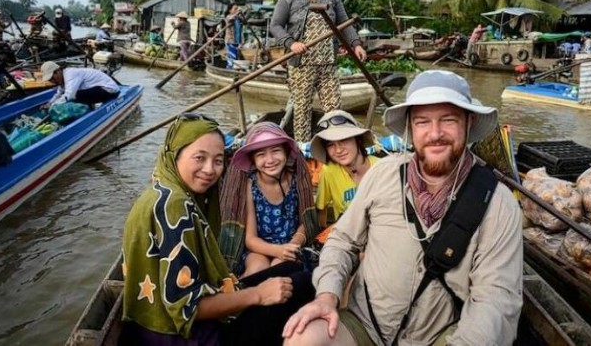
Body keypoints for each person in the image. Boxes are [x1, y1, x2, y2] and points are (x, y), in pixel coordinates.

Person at [283, 70, 523, 346]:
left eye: (448, 120)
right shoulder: (383, 174)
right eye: (423, 122)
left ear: (468, 123)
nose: (435, 134)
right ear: (410, 127)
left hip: (440, 336)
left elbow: (495, 299)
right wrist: (327, 295)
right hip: (367, 324)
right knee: (303, 337)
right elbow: (343, 242)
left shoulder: (497, 201)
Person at [120, 114, 315, 345]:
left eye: (218, 160)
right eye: (199, 158)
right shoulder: (175, 207)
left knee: (293, 268)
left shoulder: (163, 190)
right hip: (179, 335)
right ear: (175, 154)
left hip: (158, 319)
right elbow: (188, 309)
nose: (209, 170)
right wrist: (259, 294)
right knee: (303, 285)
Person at [270, 0, 367, 142]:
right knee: (302, 110)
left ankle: (335, 145)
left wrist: (356, 44)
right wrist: (291, 43)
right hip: (301, 64)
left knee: (334, 108)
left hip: (328, 63)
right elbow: (275, 25)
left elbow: (344, 24)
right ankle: (303, 149)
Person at [220, 122, 319, 278]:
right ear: (253, 159)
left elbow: (305, 222)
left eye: (276, 151)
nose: (270, 159)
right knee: (258, 268)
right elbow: (250, 239)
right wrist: (277, 250)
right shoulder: (250, 186)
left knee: (280, 268)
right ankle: (239, 297)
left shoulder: (296, 180)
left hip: (291, 246)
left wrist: (294, 243)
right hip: (258, 248)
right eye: (261, 155)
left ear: (286, 153)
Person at [310, 110, 377, 228]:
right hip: (347, 237)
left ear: (358, 140)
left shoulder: (380, 167)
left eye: (344, 140)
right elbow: (321, 209)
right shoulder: (329, 171)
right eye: (330, 145)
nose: (338, 150)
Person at [40, 61, 120, 108]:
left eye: (53, 78)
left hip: (109, 90)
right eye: (50, 80)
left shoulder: (70, 74)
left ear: (58, 71)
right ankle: (90, 106)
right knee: (72, 96)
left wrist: (53, 106)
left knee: (75, 96)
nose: (53, 81)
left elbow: (69, 95)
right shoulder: (62, 80)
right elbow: (59, 93)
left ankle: (89, 110)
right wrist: (49, 103)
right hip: (97, 89)